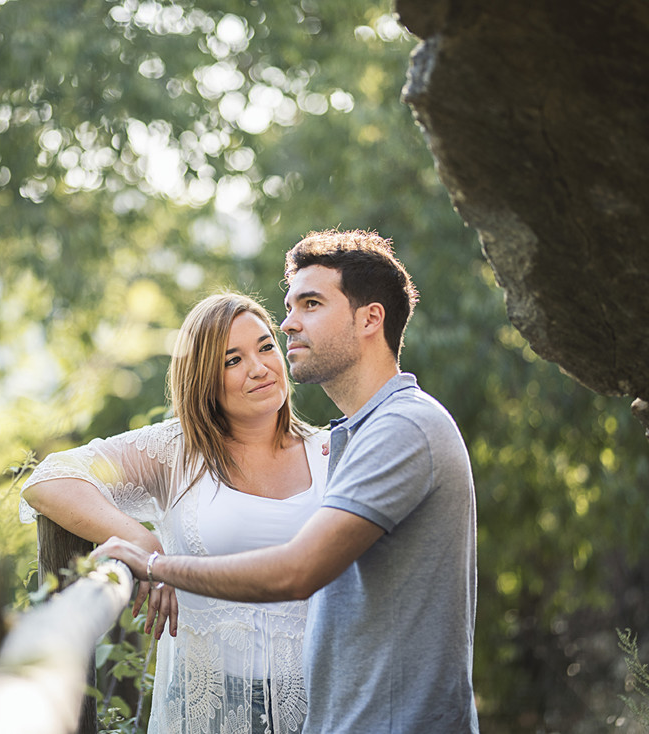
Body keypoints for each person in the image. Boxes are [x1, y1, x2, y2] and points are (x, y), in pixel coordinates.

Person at [94, 229, 480, 733]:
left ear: (370, 318)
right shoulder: (362, 433)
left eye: (311, 304)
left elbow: (297, 572)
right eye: (289, 306)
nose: (288, 323)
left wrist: (154, 564)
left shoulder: (402, 428)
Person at [19, 292, 330, 734]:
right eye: (232, 361)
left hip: (320, 702)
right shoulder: (176, 453)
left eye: (265, 347)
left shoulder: (330, 452)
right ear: (204, 378)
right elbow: (50, 479)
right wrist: (144, 545)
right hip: (210, 709)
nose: (259, 368)